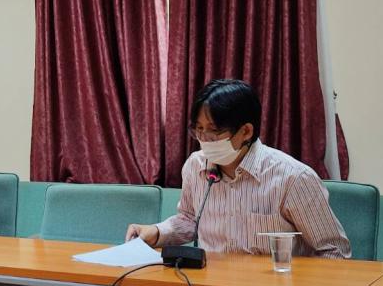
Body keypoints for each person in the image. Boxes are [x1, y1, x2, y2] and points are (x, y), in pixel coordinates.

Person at [126, 79, 350, 258]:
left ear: (246, 131)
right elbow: (190, 219)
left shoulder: (294, 178)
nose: (204, 139)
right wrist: (156, 232)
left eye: (214, 131)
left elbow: (334, 251)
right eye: (199, 129)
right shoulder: (195, 166)